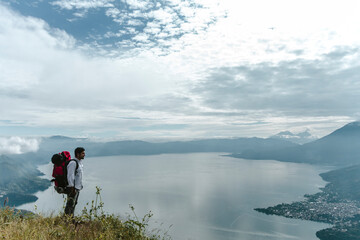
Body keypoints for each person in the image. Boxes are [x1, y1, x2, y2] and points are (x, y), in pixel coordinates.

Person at [65, 147, 85, 216]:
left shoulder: (79, 163)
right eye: (82, 153)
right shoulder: (73, 163)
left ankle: (71, 218)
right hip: (73, 188)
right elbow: (70, 176)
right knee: (70, 204)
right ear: (78, 154)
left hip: (77, 188)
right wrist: (72, 187)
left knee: (74, 203)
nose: (84, 155)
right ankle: (67, 219)